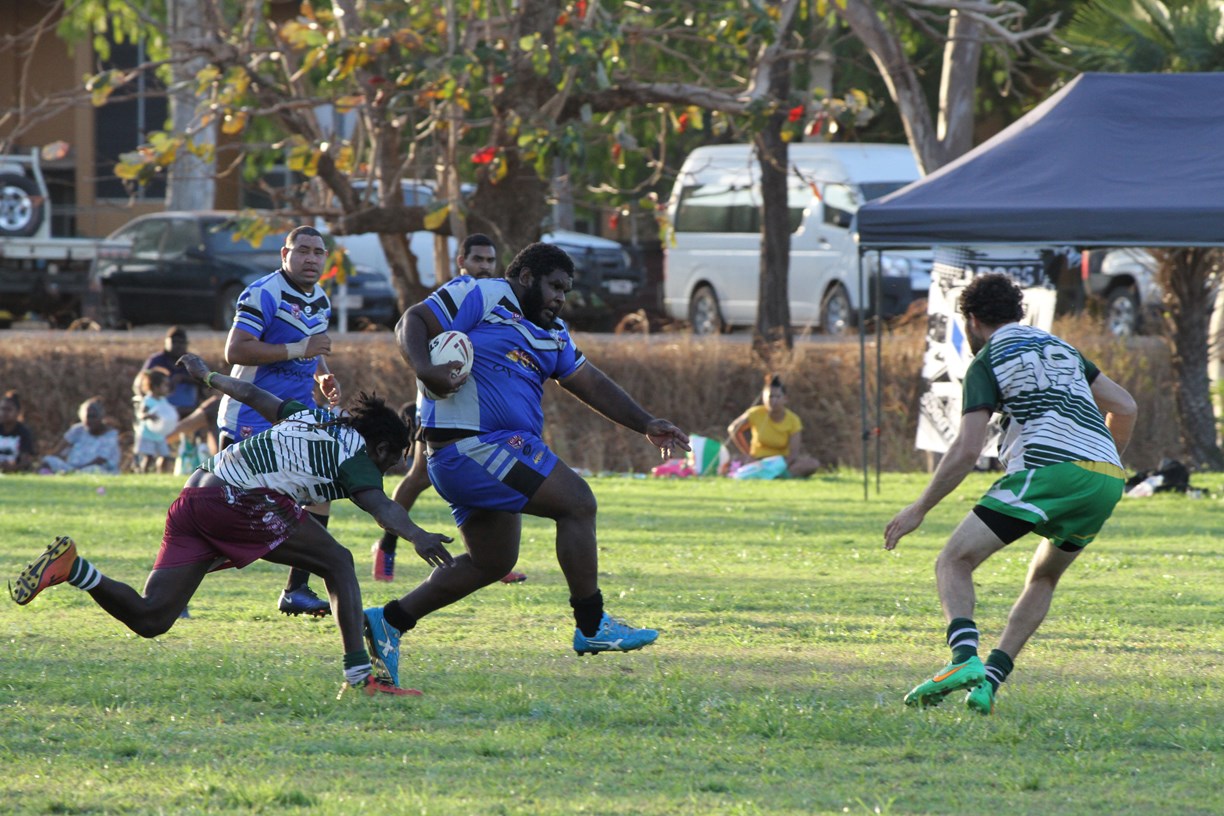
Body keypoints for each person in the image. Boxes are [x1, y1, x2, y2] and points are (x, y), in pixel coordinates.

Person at [10, 353, 454, 699]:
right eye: (391, 462)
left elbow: (254, 396)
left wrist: (208, 377)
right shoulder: (358, 456)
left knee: (152, 618)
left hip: (196, 493)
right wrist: (417, 536)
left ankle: (74, 569)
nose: (388, 471)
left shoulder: (312, 415)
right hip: (235, 498)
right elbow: (382, 508)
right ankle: (361, 678)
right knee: (338, 561)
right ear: (379, 447)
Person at [362, 242, 689, 690]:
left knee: (493, 561)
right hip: (473, 447)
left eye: (567, 291)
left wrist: (645, 423)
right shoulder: (484, 295)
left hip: (486, 455)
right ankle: (592, 625)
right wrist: (425, 369)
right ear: (527, 278)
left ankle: (390, 621)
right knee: (577, 502)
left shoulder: (553, 332)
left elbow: (589, 382)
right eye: (555, 287)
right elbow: (412, 321)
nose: (560, 297)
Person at [883, 273, 1137, 715]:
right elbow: (1126, 406)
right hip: (1106, 478)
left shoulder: (987, 360)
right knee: (1043, 577)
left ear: (973, 320)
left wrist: (919, 508)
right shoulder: (1062, 348)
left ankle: (963, 661)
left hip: (1049, 473)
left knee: (953, 561)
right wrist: (1099, 462)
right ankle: (990, 682)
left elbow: (965, 450)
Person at [371, 233, 526, 585]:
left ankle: (493, 556)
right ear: (461, 262)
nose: (484, 267)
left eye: (490, 261)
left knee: (485, 469)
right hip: (442, 401)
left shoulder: (495, 299)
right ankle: (387, 546)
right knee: (421, 476)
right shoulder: (457, 295)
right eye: (477, 260)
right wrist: (429, 379)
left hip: (477, 405)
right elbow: (419, 333)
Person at [218, 225, 341, 617]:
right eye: (302, 250)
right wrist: (298, 349)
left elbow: (312, 347)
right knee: (229, 514)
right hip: (250, 417)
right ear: (284, 255)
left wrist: (320, 372)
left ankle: (297, 590)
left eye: (318, 252)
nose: (311, 258)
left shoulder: (320, 299)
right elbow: (235, 350)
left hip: (295, 417)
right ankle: (173, 584)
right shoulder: (262, 293)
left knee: (320, 493)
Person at [725, 374, 821, 479]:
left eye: (777, 397)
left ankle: (778, 475)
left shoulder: (793, 420)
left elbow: (794, 452)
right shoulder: (755, 413)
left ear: (785, 399)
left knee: (812, 463)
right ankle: (764, 474)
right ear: (763, 398)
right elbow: (734, 429)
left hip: (781, 462)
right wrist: (748, 454)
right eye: (770, 396)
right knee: (734, 461)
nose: (773, 400)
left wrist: (782, 465)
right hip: (758, 459)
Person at [40, 397, 120, 474]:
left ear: (101, 417)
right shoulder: (77, 430)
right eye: (87, 417)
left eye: (93, 417)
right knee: (48, 460)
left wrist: (78, 470)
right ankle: (48, 477)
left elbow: (100, 460)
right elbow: (59, 450)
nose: (89, 420)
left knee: (93, 469)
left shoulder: (110, 435)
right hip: (71, 468)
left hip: (97, 469)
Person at [136, 326, 202, 420]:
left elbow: (207, 382)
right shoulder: (156, 360)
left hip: (189, 409)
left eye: (181, 342)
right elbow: (140, 383)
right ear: (166, 342)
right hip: (161, 411)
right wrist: (146, 402)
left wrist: (183, 378)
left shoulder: (193, 361)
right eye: (174, 342)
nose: (178, 346)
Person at [133, 368, 180, 473]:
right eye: (165, 385)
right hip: (147, 434)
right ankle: (142, 474)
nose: (167, 388)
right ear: (155, 387)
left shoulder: (163, 400)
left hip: (159, 435)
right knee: (148, 457)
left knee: (165, 456)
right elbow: (140, 415)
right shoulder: (148, 401)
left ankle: (161, 474)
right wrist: (148, 416)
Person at [0, 391, 36, 474]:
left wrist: (12, 468)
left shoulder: (24, 432)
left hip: (15, 470)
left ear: (17, 412)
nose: (4, 413)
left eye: (8, 410)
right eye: (2, 409)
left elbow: (26, 460)